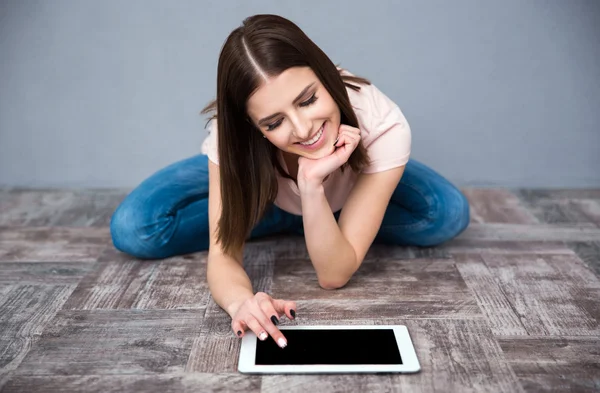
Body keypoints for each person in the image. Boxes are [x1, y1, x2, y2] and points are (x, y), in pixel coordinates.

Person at [109, 14, 470, 350]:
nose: (303, 129)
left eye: (309, 100)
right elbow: (224, 256)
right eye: (273, 123)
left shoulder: (381, 122)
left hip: (351, 173)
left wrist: (311, 185)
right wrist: (240, 302)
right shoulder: (234, 137)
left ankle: (314, 222)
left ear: (327, 74)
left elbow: (333, 275)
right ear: (253, 128)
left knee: (447, 213)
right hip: (260, 183)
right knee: (134, 228)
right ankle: (290, 218)